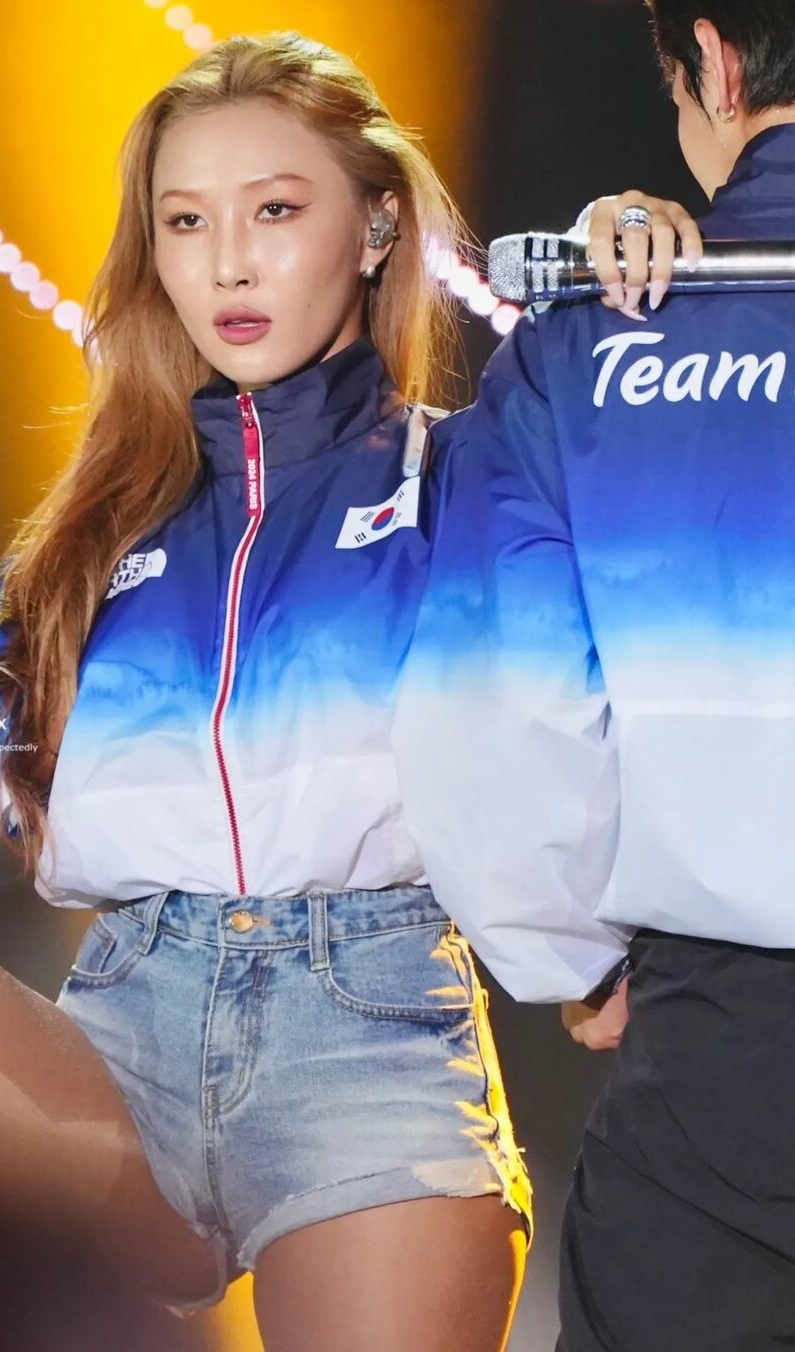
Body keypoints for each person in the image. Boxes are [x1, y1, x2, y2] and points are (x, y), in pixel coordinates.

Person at [0, 27, 696, 1352]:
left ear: (376, 227)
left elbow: (647, 567)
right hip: (115, 1055)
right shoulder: (103, 535)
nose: (227, 262)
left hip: (371, 1050)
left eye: (274, 211)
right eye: (185, 222)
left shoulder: (475, 477)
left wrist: (636, 285)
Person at [394, 3, 795, 1348]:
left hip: (717, 1066)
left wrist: (564, 955)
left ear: (715, 64)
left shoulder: (580, 348)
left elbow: (489, 706)